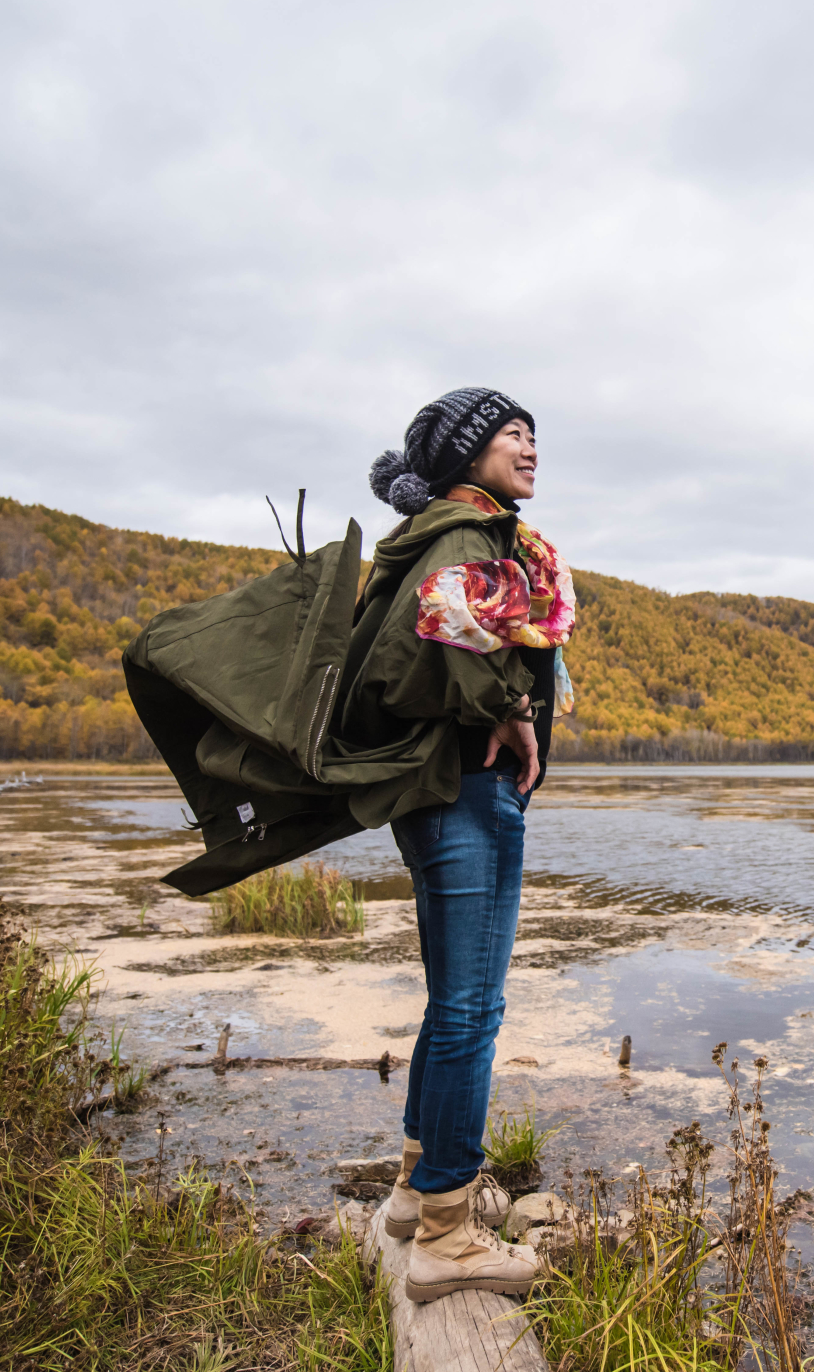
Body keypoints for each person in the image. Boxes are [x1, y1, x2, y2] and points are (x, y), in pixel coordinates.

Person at [355, 387, 576, 1303]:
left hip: (438, 791)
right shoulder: (463, 538)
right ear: (464, 452)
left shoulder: (443, 534)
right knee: (471, 1012)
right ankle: (447, 1236)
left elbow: (440, 632)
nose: (528, 446)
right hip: (468, 791)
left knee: (452, 1002)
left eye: (532, 433)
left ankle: (414, 1193)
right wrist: (511, 714)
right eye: (508, 433)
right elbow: (449, 631)